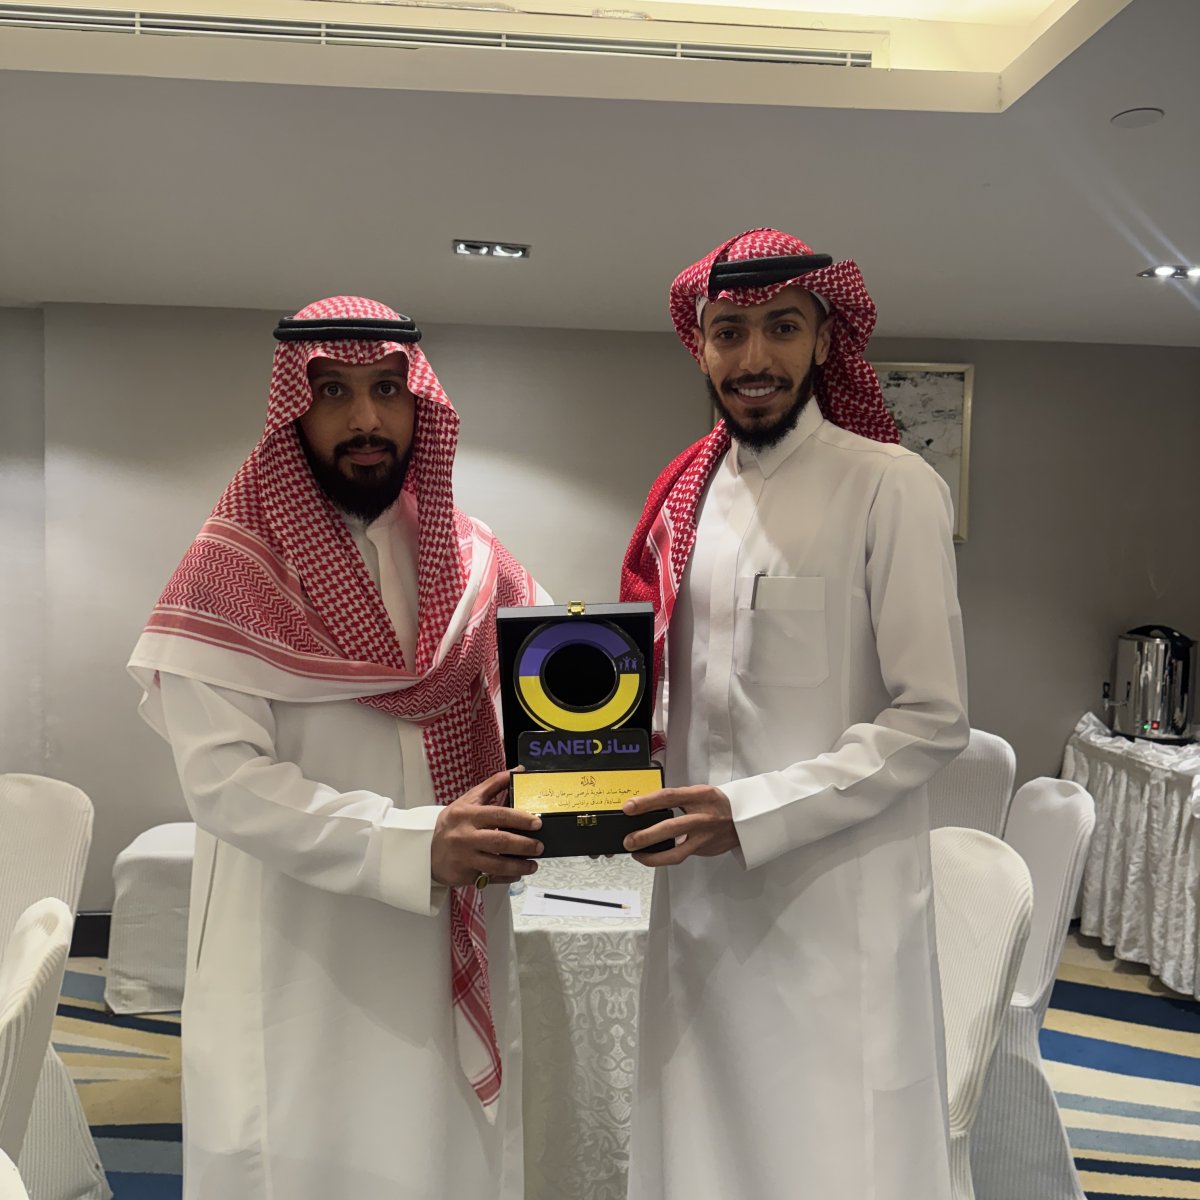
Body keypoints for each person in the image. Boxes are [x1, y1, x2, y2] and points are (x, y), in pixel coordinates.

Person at [129, 296, 547, 1200]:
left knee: (442, 1158)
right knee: (309, 1157)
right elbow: (224, 784)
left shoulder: (475, 560)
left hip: (447, 928)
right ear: (295, 409)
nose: (365, 418)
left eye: (387, 389)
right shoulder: (228, 571)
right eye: (334, 392)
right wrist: (412, 843)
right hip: (298, 950)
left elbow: (554, 691)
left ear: (418, 404)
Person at [619, 229, 969, 1199]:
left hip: (833, 910)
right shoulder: (684, 498)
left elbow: (933, 717)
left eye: (782, 327)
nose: (755, 357)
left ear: (824, 339)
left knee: (833, 1158)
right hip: (698, 903)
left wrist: (753, 812)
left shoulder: (889, 484)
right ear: (700, 347)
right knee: (699, 1150)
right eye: (729, 332)